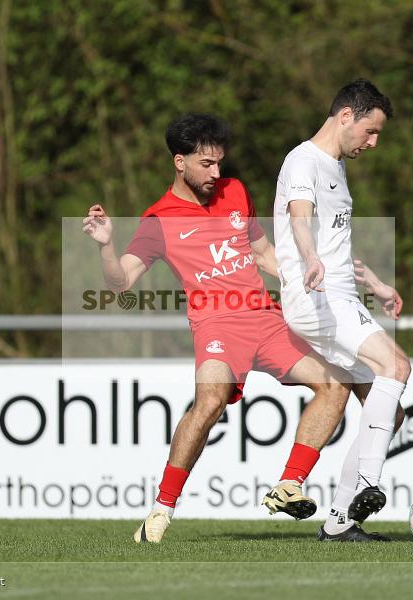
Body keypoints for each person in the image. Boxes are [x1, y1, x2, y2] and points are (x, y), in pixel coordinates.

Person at [83, 113, 356, 544]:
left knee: (335, 384)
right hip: (216, 325)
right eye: (206, 164)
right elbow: (121, 283)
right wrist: (106, 247)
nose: (216, 173)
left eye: (219, 163)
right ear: (179, 162)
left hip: (265, 320)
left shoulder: (235, 192)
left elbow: (264, 255)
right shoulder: (158, 219)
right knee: (209, 402)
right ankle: (160, 512)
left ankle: (289, 485)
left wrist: (310, 275)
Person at [272, 79, 412, 541]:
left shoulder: (334, 166)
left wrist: (373, 281)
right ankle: (369, 484)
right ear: (346, 115)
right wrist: (310, 257)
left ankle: (340, 523)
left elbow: (333, 243)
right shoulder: (303, 160)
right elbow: (298, 215)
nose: (372, 143)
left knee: (388, 414)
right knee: (397, 364)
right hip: (317, 300)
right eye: (370, 132)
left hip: (338, 295)